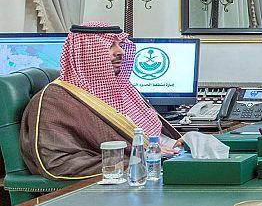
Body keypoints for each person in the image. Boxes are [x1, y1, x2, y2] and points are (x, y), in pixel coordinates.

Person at [20, 23, 182, 180]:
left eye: (120, 45)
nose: (120, 52)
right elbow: (58, 164)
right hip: (108, 189)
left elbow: (144, 135)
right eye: (110, 46)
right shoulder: (55, 99)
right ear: (85, 52)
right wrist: (137, 162)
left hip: (155, 170)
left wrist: (174, 144)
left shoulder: (124, 89)